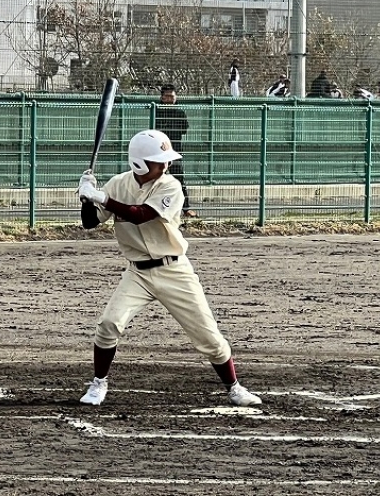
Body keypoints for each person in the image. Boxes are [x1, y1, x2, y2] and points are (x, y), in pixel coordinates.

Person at [76, 129, 262, 408]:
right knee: (109, 324)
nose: (166, 165)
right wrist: (86, 197)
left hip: (174, 270)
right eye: (158, 161)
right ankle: (98, 383)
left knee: (208, 336)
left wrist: (101, 198)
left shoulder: (171, 186)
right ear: (139, 163)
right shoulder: (118, 184)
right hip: (138, 273)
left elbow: (141, 215)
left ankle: (234, 387)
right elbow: (90, 222)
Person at [155, 84, 197, 218]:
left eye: (172, 96)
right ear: (162, 97)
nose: (169, 99)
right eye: (166, 96)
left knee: (179, 179)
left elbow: (184, 129)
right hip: (159, 152)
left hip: (175, 150)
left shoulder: (179, 113)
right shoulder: (156, 111)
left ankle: (186, 208)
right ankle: (154, 208)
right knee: (156, 179)